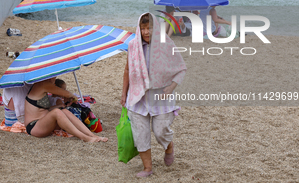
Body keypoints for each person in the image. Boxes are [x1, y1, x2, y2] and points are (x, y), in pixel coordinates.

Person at [121, 12, 186, 178]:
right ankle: (147, 168)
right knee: (140, 133)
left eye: (149, 28)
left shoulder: (166, 44)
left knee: (160, 131)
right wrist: (124, 93)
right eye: (143, 28)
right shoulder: (133, 45)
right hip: (138, 96)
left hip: (161, 97)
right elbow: (128, 69)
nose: (146, 32)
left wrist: (171, 87)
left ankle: (169, 146)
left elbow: (181, 68)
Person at [24, 77, 108, 142]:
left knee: (64, 111)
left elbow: (42, 109)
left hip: (43, 122)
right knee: (57, 112)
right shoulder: (42, 84)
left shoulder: (42, 85)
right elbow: (67, 94)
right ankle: (85, 138)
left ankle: (92, 135)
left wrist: (62, 104)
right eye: (54, 77)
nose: (54, 79)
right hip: (33, 126)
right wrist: (72, 97)